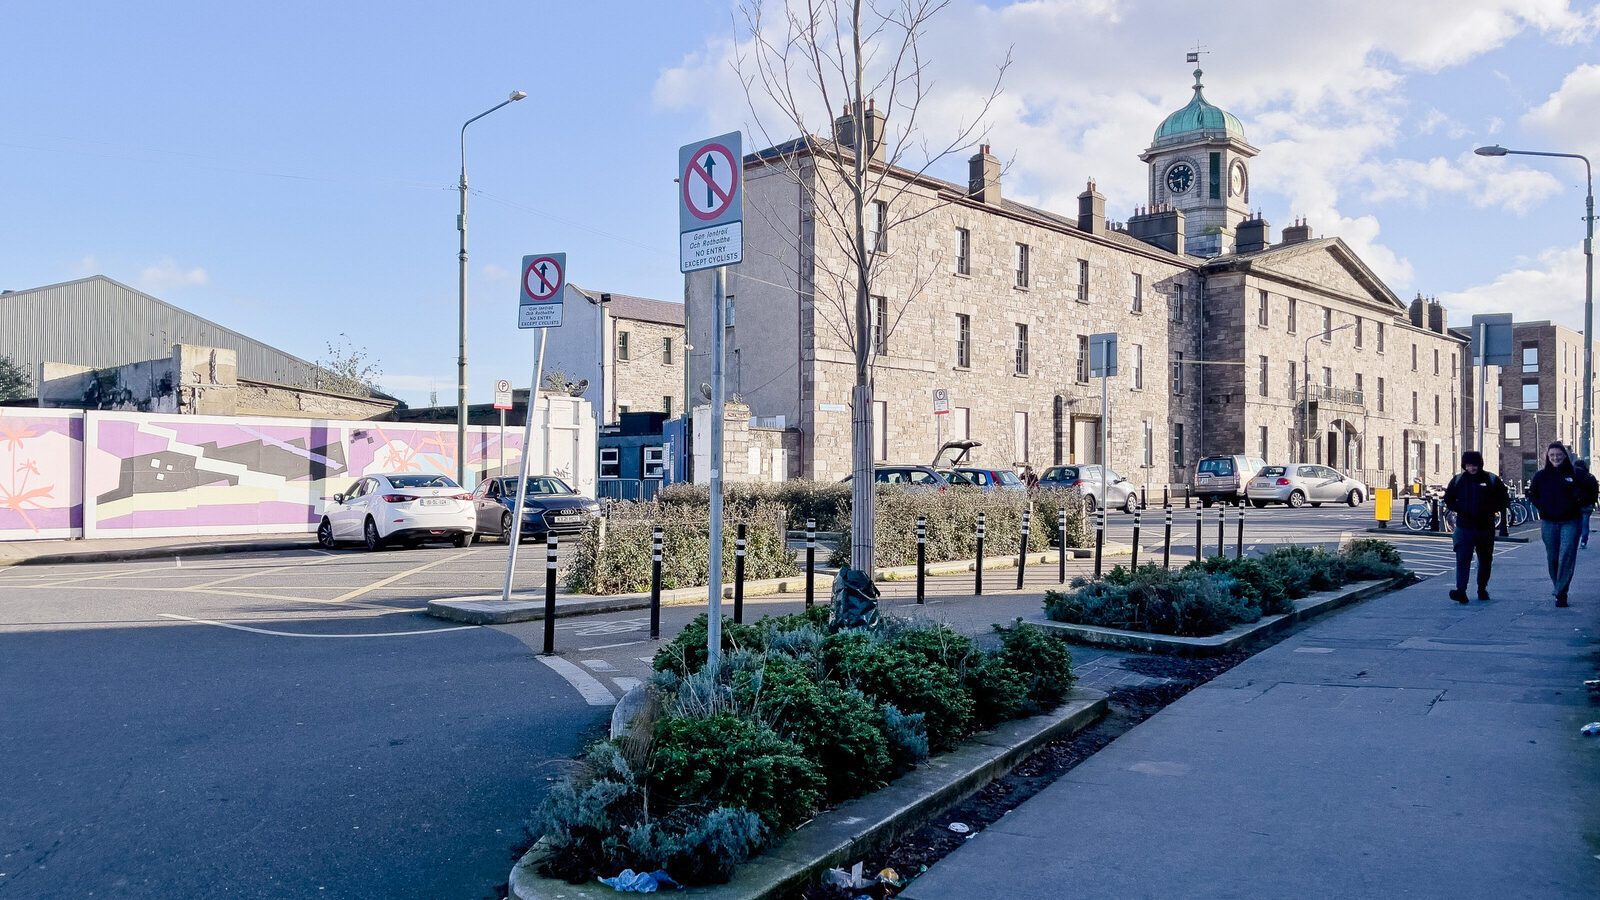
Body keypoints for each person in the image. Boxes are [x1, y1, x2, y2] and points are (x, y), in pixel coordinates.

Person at [1528, 442, 1600, 606]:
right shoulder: (1541, 476)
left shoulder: (1576, 474)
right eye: (1552, 455)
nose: (1555, 458)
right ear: (1548, 456)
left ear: (1565, 456)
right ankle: (1558, 586)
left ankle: (1561, 593)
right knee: (1552, 557)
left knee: (1566, 554)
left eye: (1558, 454)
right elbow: (1532, 494)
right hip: (1549, 521)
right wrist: (1542, 506)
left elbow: (1593, 488)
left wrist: (1582, 501)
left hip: (1570, 521)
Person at [1441, 450, 1509, 604]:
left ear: (1480, 464)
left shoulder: (1491, 479)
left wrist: (1491, 508)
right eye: (1469, 465)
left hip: (1485, 527)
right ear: (1464, 465)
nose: (1472, 468)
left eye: (1475, 465)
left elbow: (1504, 499)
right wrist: (1458, 507)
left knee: (1485, 559)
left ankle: (1482, 588)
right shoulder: (1458, 480)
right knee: (1462, 559)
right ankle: (1461, 590)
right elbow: (1448, 498)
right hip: (1464, 527)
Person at [1577, 459, 1594, 549]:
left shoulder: (1574, 476)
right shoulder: (1590, 477)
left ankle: (1574, 540)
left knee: (1575, 523)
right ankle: (1583, 541)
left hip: (1576, 504)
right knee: (1585, 523)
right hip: (1588, 504)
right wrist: (1593, 502)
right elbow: (1595, 491)